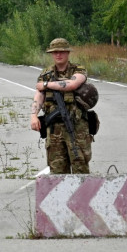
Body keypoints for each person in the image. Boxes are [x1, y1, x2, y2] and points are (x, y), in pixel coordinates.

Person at [29, 38, 92, 174]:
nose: (58, 55)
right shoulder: (46, 74)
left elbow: (72, 84)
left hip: (76, 126)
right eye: (55, 52)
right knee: (57, 170)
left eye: (62, 52)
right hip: (54, 129)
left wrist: (46, 85)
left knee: (80, 166)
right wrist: (33, 115)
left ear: (68, 53)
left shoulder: (78, 70)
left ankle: (82, 195)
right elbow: (39, 95)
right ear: (51, 54)